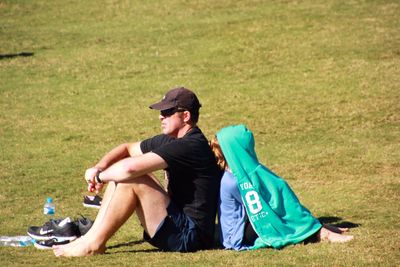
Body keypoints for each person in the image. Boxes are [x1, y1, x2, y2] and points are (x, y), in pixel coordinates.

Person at [53, 87, 223, 257]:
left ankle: (93, 244)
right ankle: (90, 239)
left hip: (190, 236)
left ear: (185, 116)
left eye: (167, 111)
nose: (160, 116)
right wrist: (100, 166)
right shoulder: (172, 140)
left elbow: (129, 169)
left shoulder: (190, 145)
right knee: (121, 171)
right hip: (179, 223)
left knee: (132, 177)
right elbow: (126, 149)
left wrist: (99, 177)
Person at [210, 124, 353, 251]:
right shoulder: (234, 181)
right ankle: (319, 234)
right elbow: (265, 207)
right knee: (279, 216)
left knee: (282, 211)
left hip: (247, 223)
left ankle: (316, 227)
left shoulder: (241, 173)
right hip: (240, 234)